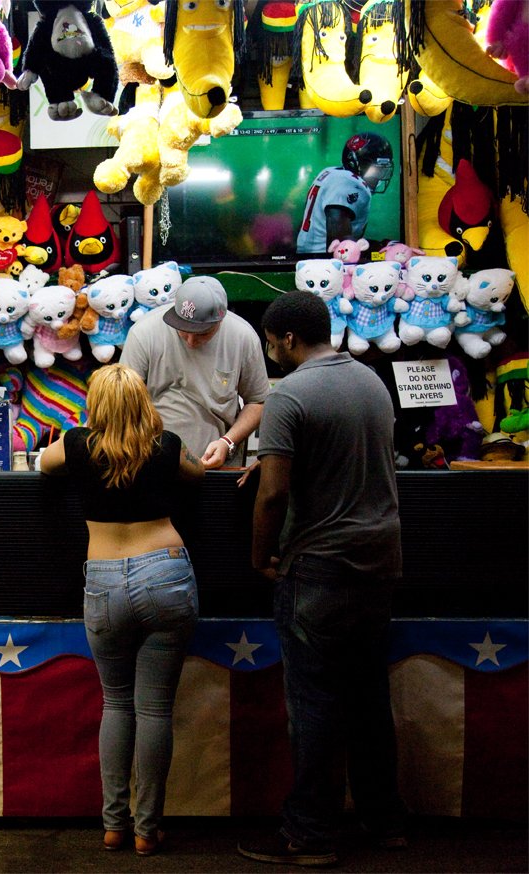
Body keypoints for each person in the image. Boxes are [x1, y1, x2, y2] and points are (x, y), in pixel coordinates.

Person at [238, 291, 407, 867]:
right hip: (381, 559)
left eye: (270, 343)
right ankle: (385, 821)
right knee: (368, 695)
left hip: (320, 566)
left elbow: (275, 494)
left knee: (313, 702)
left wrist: (261, 557)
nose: (270, 353)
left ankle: (309, 833)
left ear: (286, 340)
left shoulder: (291, 395)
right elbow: (348, 454)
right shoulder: (370, 382)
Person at [39, 363, 205, 857]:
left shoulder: (75, 445)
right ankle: (147, 830)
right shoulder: (168, 445)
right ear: (142, 402)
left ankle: (114, 824)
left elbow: (41, 466)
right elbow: (199, 474)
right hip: (167, 573)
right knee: (154, 709)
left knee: (117, 703)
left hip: (106, 578)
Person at [119, 275, 269, 469]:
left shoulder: (243, 337)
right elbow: (122, 401)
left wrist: (227, 442)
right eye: (182, 329)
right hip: (152, 463)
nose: (190, 341)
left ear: (220, 320)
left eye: (202, 333)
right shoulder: (143, 333)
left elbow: (258, 401)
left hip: (216, 463)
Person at [296, 132, 395, 254]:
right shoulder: (348, 183)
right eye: (376, 170)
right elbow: (340, 247)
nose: (379, 177)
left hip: (311, 258)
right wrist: (381, 247)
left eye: (382, 170)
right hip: (324, 264)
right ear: (354, 163)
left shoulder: (330, 172)